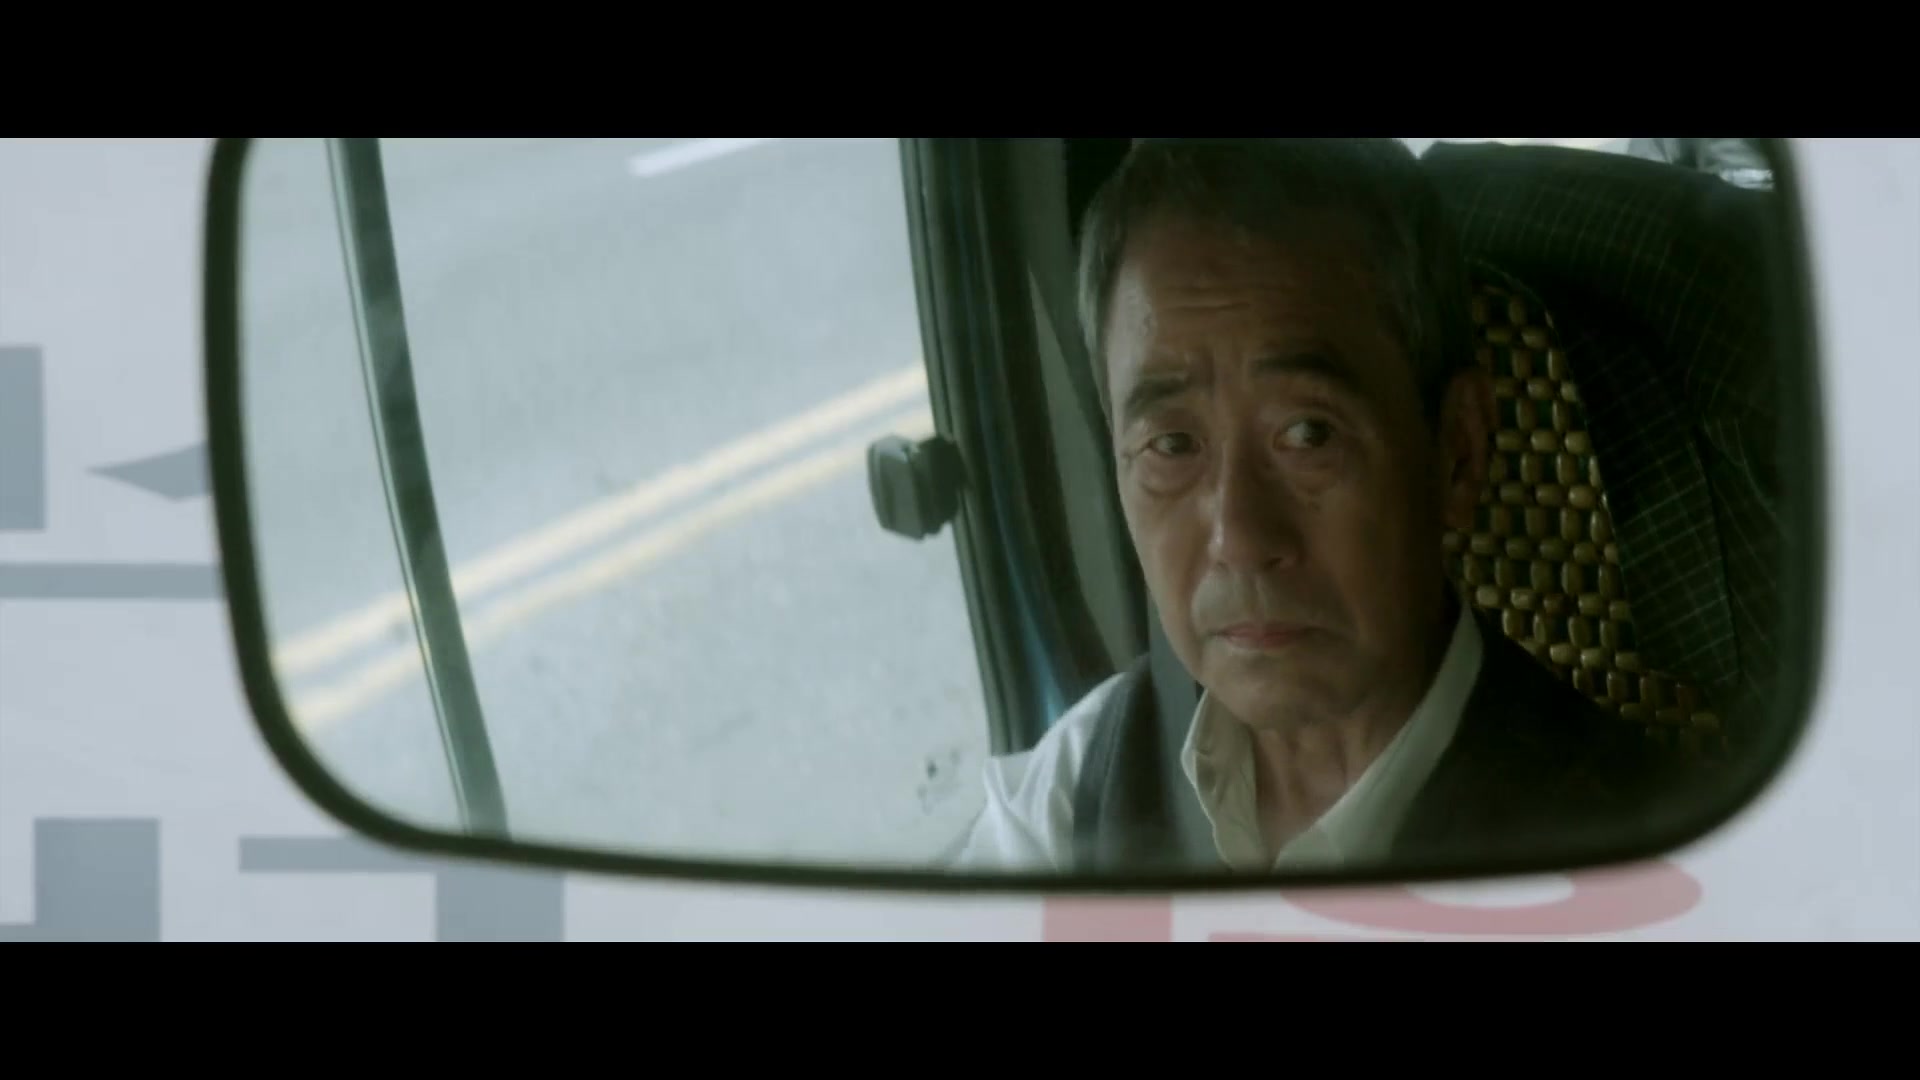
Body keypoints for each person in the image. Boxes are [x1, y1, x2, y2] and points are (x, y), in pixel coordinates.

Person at [951, 138, 1686, 875]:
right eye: (1171, 445)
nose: (1239, 538)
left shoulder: (1647, 851)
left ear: (1457, 453)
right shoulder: (1082, 786)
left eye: (1309, 434)